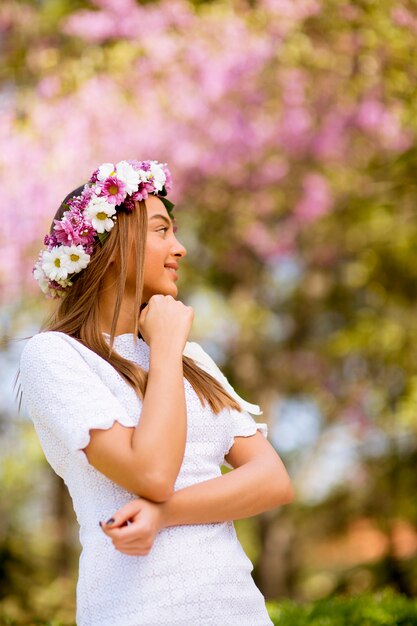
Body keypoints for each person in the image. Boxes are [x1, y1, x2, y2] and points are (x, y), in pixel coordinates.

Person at [19, 159, 294, 626]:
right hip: (135, 609)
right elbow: (152, 473)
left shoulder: (194, 358)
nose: (180, 248)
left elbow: (272, 480)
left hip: (238, 608)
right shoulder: (55, 356)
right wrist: (165, 350)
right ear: (110, 247)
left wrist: (163, 516)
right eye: (162, 231)